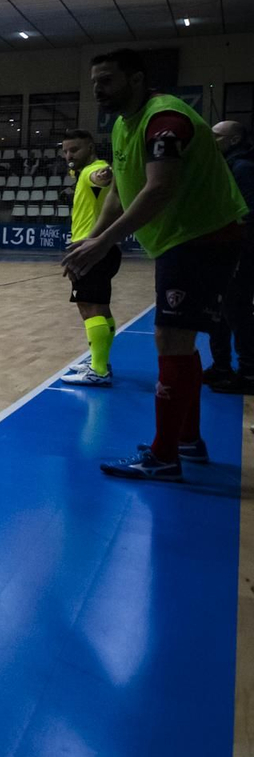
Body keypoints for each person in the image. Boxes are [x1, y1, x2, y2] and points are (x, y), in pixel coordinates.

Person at [63, 49, 248, 480]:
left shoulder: (165, 119)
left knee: (170, 339)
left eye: (106, 80)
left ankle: (166, 455)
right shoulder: (126, 125)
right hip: (180, 242)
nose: (97, 89)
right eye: (94, 81)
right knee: (179, 342)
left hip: (201, 238)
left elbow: (160, 189)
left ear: (137, 79)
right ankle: (186, 440)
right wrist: (94, 237)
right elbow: (120, 192)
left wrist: (102, 241)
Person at [57, 129, 120, 387]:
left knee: (88, 307)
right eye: (65, 151)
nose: (69, 155)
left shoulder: (95, 170)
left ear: (91, 149)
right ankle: (100, 361)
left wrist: (108, 174)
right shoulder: (81, 171)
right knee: (100, 307)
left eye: (75, 150)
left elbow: (103, 176)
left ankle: (98, 370)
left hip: (89, 248)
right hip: (104, 248)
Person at [206, 120, 254, 393]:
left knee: (238, 311)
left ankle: (248, 372)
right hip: (224, 251)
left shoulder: (243, 168)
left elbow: (248, 215)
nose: (211, 141)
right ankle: (221, 366)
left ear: (234, 140)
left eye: (216, 136)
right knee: (220, 312)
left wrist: (234, 249)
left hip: (240, 252)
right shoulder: (227, 167)